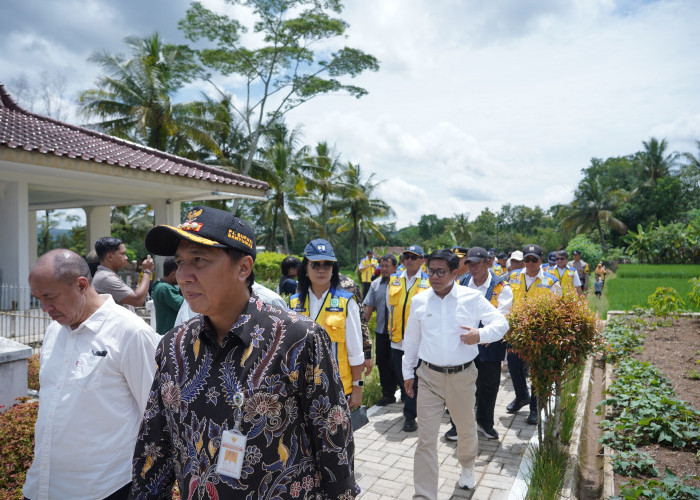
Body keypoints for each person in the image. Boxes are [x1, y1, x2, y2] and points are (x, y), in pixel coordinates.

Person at [131, 207, 358, 498]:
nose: (184, 275)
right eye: (179, 262)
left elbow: (333, 440)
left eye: (199, 260)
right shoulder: (174, 346)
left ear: (243, 268)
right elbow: (155, 445)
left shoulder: (299, 339)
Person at [23, 249, 159, 500]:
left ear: (81, 285)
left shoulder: (131, 333)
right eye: (38, 299)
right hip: (41, 486)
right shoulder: (54, 331)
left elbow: (156, 418)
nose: (44, 308)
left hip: (103, 489)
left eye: (49, 297)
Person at [402, 249, 509, 495]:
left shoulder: (470, 298)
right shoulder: (420, 300)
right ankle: (424, 493)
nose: (435, 277)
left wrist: (480, 335)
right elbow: (411, 341)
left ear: (454, 272)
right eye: (431, 271)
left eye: (441, 272)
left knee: (465, 428)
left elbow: (502, 323)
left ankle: (468, 466)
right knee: (426, 440)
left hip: (462, 376)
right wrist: (408, 373)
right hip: (428, 377)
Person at [444, 246, 513, 442]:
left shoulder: (502, 287)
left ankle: (485, 423)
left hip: (490, 346)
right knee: (461, 386)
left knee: (488, 386)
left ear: (489, 263)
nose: (473, 268)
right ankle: (456, 426)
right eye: (470, 264)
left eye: (477, 264)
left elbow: (503, 316)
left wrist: (484, 336)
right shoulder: (461, 283)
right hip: (464, 345)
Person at [290, 238, 365, 406]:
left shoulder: (346, 302)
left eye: (327, 265)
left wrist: (357, 388)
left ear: (333, 269)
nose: (321, 270)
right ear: (306, 269)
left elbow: (356, 352)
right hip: (302, 388)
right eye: (316, 265)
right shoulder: (294, 303)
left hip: (337, 388)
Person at [506, 244, 560, 425]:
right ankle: (522, 396)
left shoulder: (551, 281)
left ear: (540, 260)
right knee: (514, 366)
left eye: (533, 260)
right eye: (527, 259)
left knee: (537, 371)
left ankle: (535, 409)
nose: (530, 263)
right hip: (516, 332)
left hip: (538, 333)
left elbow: (557, 308)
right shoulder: (513, 276)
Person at [387, 245, 431, 432]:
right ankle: (411, 407)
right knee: (403, 376)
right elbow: (390, 308)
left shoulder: (429, 281)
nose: (409, 260)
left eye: (414, 257)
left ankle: (410, 416)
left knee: (416, 378)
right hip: (398, 340)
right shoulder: (394, 279)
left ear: (422, 260)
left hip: (420, 341)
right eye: (406, 256)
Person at [363, 254, 400, 406]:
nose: (384, 269)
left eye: (387, 266)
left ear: (395, 268)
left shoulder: (401, 284)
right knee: (383, 363)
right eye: (382, 266)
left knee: (398, 362)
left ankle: (405, 392)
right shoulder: (375, 284)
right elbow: (369, 306)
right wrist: (362, 326)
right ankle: (388, 394)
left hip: (398, 333)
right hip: (381, 332)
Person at [93, 236, 154, 311]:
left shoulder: (107, 275)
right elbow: (137, 300)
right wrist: (147, 271)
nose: (126, 258)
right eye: (123, 254)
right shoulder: (106, 277)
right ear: (110, 256)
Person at [150, 256, 184, 335]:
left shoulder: (165, 286)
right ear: (173, 274)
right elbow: (182, 305)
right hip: (169, 336)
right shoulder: (164, 288)